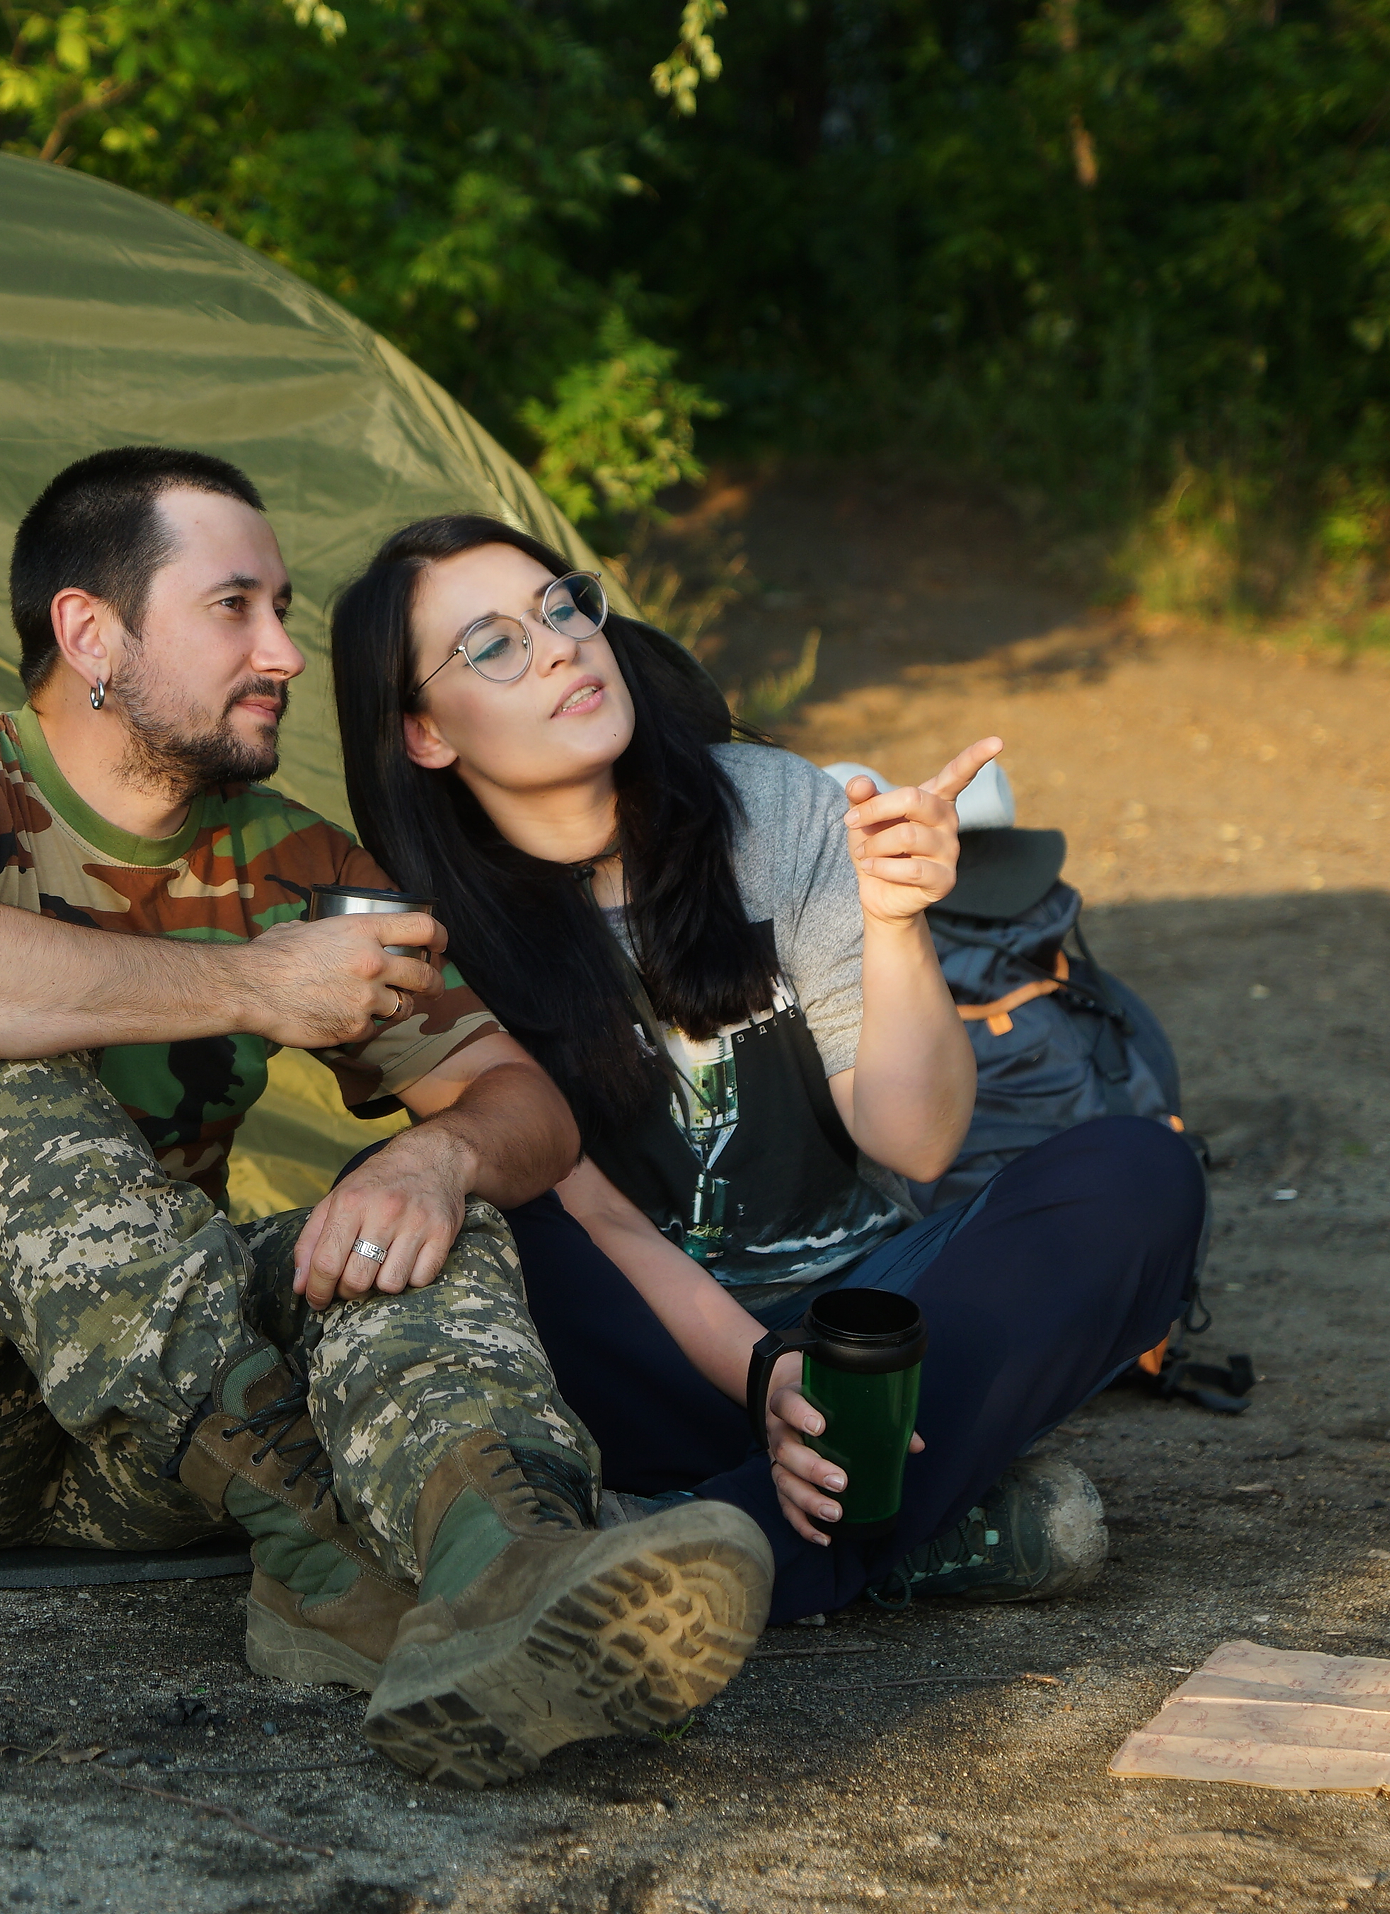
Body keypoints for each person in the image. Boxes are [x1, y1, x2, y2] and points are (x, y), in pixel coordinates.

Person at [0, 449, 775, 1787]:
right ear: (89, 632)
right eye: (236, 608)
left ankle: (504, 1572)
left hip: (154, 1443)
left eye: (282, 607)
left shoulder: (291, 857)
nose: (284, 651)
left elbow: (525, 1109)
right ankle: (350, 1567)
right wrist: (246, 984)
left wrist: (434, 1155)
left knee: (413, 1215)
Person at [327, 513, 1207, 1626]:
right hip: (649, 1362)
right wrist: (764, 1376)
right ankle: (896, 1523)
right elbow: (605, 1224)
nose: (559, 646)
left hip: (866, 1335)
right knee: (461, 1209)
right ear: (424, 733)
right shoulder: (419, 931)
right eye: (494, 645)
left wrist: (892, 924)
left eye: (561, 607)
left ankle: (700, 1557)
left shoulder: (772, 810)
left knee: (1140, 1175)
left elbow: (916, 1142)